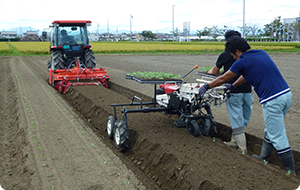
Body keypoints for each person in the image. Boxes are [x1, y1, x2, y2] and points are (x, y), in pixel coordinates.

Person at [198, 36, 295, 174]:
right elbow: (247, 75)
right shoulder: (261, 53)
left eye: (233, 55)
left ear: (237, 51)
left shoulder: (242, 61)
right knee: (270, 129)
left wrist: (207, 86)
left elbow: (223, 77)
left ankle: (290, 172)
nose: (234, 58)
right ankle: (263, 157)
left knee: (278, 136)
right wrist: (233, 85)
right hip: (286, 95)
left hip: (272, 100)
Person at [207, 30, 253, 153]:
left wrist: (209, 73)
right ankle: (234, 141)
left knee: (236, 119)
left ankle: (242, 148)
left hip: (233, 90)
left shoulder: (225, 55)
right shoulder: (249, 55)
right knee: (243, 118)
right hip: (248, 91)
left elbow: (215, 72)